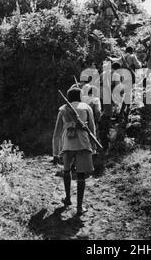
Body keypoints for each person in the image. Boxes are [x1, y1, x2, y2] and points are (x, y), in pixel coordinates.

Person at [52, 87, 96, 216]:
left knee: (66, 170)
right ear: (80, 96)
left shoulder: (63, 109)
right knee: (81, 175)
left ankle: (67, 199)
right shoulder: (87, 107)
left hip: (68, 144)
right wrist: (93, 147)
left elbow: (57, 133)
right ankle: (79, 207)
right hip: (83, 143)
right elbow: (92, 129)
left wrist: (55, 153)